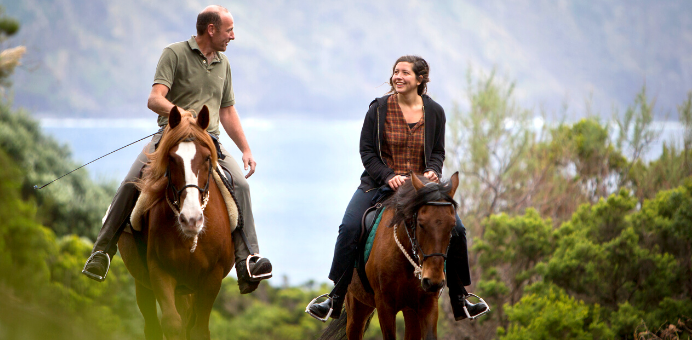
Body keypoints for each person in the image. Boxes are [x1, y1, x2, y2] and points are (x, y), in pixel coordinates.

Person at [82, 5, 272, 294]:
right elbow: (155, 98)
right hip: (171, 137)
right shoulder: (174, 53)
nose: (232, 36)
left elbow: (228, 111)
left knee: (242, 186)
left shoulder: (224, 64)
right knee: (130, 184)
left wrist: (246, 149)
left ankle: (248, 260)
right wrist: (180, 114)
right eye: (229, 30)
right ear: (211, 29)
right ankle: (101, 253)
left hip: (209, 141)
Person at [307, 56, 487, 320]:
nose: (397, 77)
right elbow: (367, 152)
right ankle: (334, 297)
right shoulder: (378, 110)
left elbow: (437, 152)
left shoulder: (435, 111)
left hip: (421, 189)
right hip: (379, 184)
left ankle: (460, 297)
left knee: (457, 229)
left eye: (405, 73)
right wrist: (387, 175)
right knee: (349, 227)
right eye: (395, 72)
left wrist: (433, 172)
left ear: (420, 79)